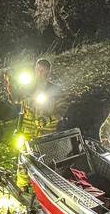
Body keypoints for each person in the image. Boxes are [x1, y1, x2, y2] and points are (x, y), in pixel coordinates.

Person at [7, 58, 67, 189]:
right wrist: (10, 84)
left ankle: (44, 189)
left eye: (42, 71)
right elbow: (15, 99)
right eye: (37, 69)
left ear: (48, 72)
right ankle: (22, 187)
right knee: (24, 159)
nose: (39, 73)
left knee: (45, 162)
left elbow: (62, 110)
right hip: (27, 131)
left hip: (46, 133)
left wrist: (48, 119)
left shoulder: (55, 91)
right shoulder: (27, 87)